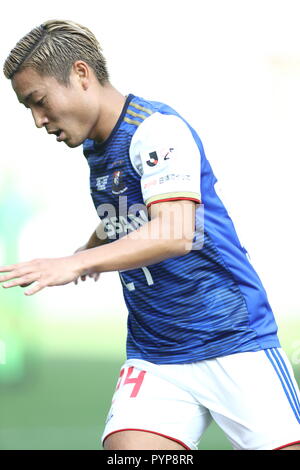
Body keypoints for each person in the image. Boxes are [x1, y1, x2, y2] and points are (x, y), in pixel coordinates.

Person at [1, 19, 299, 451]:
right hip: (157, 354)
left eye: (39, 101)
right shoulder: (96, 146)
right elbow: (129, 210)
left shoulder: (156, 130)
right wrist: (91, 245)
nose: (37, 119)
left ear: (81, 75)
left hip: (232, 341)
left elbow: (175, 233)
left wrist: (76, 263)